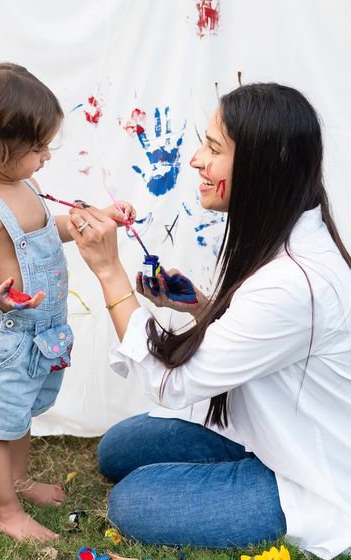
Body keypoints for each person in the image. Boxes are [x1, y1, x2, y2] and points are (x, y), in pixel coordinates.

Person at [67, 83, 351, 559]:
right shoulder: (287, 240)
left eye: (214, 148)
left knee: (132, 501)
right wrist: (202, 306)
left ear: (264, 166)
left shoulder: (294, 282)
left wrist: (108, 272)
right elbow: (267, 339)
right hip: (266, 429)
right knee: (116, 450)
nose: (196, 160)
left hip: (313, 473)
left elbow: (174, 385)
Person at [0, 63, 134, 542]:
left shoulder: (25, 185)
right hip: (7, 339)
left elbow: (54, 230)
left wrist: (100, 216)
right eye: (39, 147)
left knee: (22, 412)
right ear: (1, 148)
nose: (47, 156)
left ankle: (20, 480)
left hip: (41, 335)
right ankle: (4, 511)